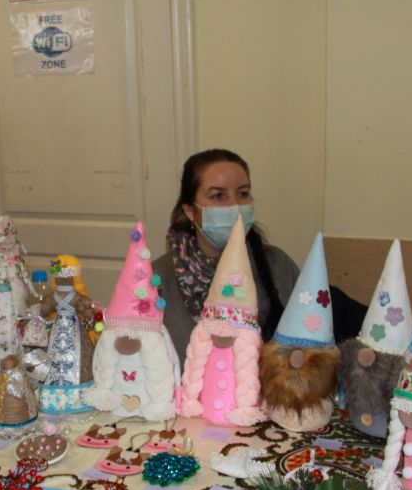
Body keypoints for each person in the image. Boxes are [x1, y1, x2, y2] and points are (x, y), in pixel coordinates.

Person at [153, 149, 366, 365]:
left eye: (243, 193)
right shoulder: (159, 278)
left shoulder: (277, 265)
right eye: (218, 196)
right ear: (190, 209)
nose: (235, 206)